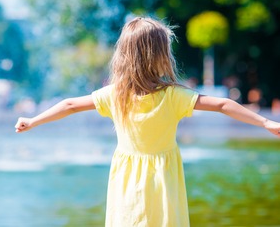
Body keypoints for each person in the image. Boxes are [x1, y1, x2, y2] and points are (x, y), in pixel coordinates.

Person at [14, 17, 280, 227]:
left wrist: (33, 121)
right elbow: (223, 105)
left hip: (126, 176)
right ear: (162, 55)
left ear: (124, 55)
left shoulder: (115, 95)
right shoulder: (174, 96)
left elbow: (69, 105)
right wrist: (266, 123)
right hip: (163, 178)